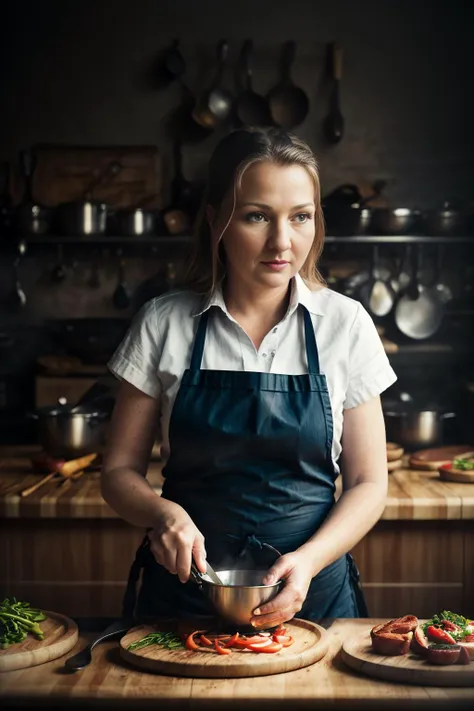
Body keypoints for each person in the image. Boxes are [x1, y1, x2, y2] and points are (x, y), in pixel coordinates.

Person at [101, 126, 397, 629]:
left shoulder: (345, 325)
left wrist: (308, 562)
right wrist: (163, 515)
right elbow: (118, 474)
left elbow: (368, 483)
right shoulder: (163, 322)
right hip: (184, 602)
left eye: (301, 217)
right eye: (257, 216)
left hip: (312, 601)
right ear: (217, 220)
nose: (282, 242)